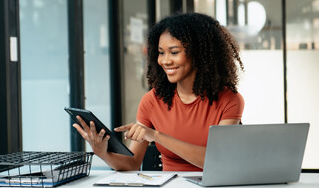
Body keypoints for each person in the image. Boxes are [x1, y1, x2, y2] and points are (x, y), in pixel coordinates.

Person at [73, 12, 244, 171]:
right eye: (161, 53)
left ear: (199, 54)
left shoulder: (229, 100)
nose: (165, 60)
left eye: (174, 52)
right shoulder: (152, 101)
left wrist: (156, 136)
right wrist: (103, 153)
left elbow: (218, 159)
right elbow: (132, 164)